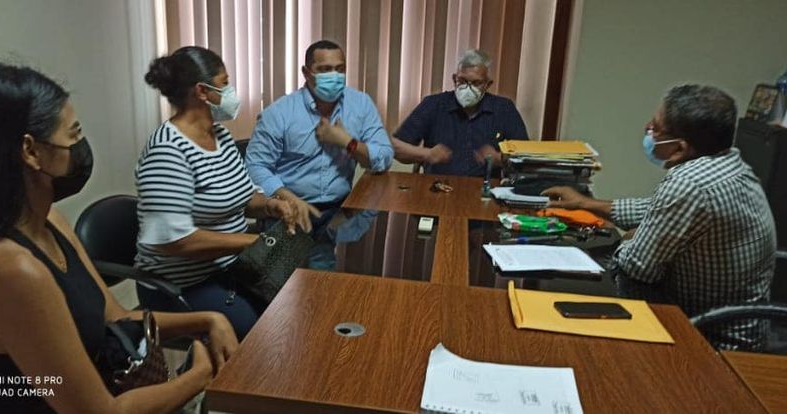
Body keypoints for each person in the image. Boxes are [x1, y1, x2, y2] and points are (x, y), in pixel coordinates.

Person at [0, 62, 236, 413]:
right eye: (73, 134)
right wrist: (200, 376)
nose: (81, 146)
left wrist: (208, 319)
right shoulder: (9, 270)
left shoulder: (50, 221)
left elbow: (116, 317)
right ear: (30, 151)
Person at [542, 84, 776, 351]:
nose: (647, 130)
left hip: (712, 339)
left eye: (655, 128)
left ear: (679, 149)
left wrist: (632, 237)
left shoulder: (689, 184)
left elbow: (637, 268)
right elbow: (655, 209)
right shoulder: (729, 164)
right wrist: (585, 203)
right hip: (743, 327)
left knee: (579, 328)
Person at [137, 46, 296, 339]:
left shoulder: (219, 136)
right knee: (264, 331)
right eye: (225, 83)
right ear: (202, 91)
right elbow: (175, 241)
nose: (231, 92)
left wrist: (270, 205)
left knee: (299, 300)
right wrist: (253, 242)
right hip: (184, 286)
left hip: (232, 269)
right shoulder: (168, 151)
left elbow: (243, 197)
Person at [245, 40, 393, 269]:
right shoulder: (279, 113)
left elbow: (384, 157)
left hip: (338, 212)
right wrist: (290, 199)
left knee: (330, 279)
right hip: (287, 211)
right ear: (306, 73)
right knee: (281, 283)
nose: (334, 76)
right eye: (324, 70)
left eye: (340, 69)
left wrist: (347, 142)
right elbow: (255, 166)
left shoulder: (360, 104)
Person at [392, 49, 529, 176]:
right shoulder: (433, 105)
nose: (468, 88)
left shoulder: (504, 109)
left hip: (485, 188)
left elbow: (527, 158)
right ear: (454, 79)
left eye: (476, 83)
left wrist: (499, 159)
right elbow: (395, 147)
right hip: (437, 186)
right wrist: (427, 154)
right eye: (462, 81)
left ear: (488, 84)